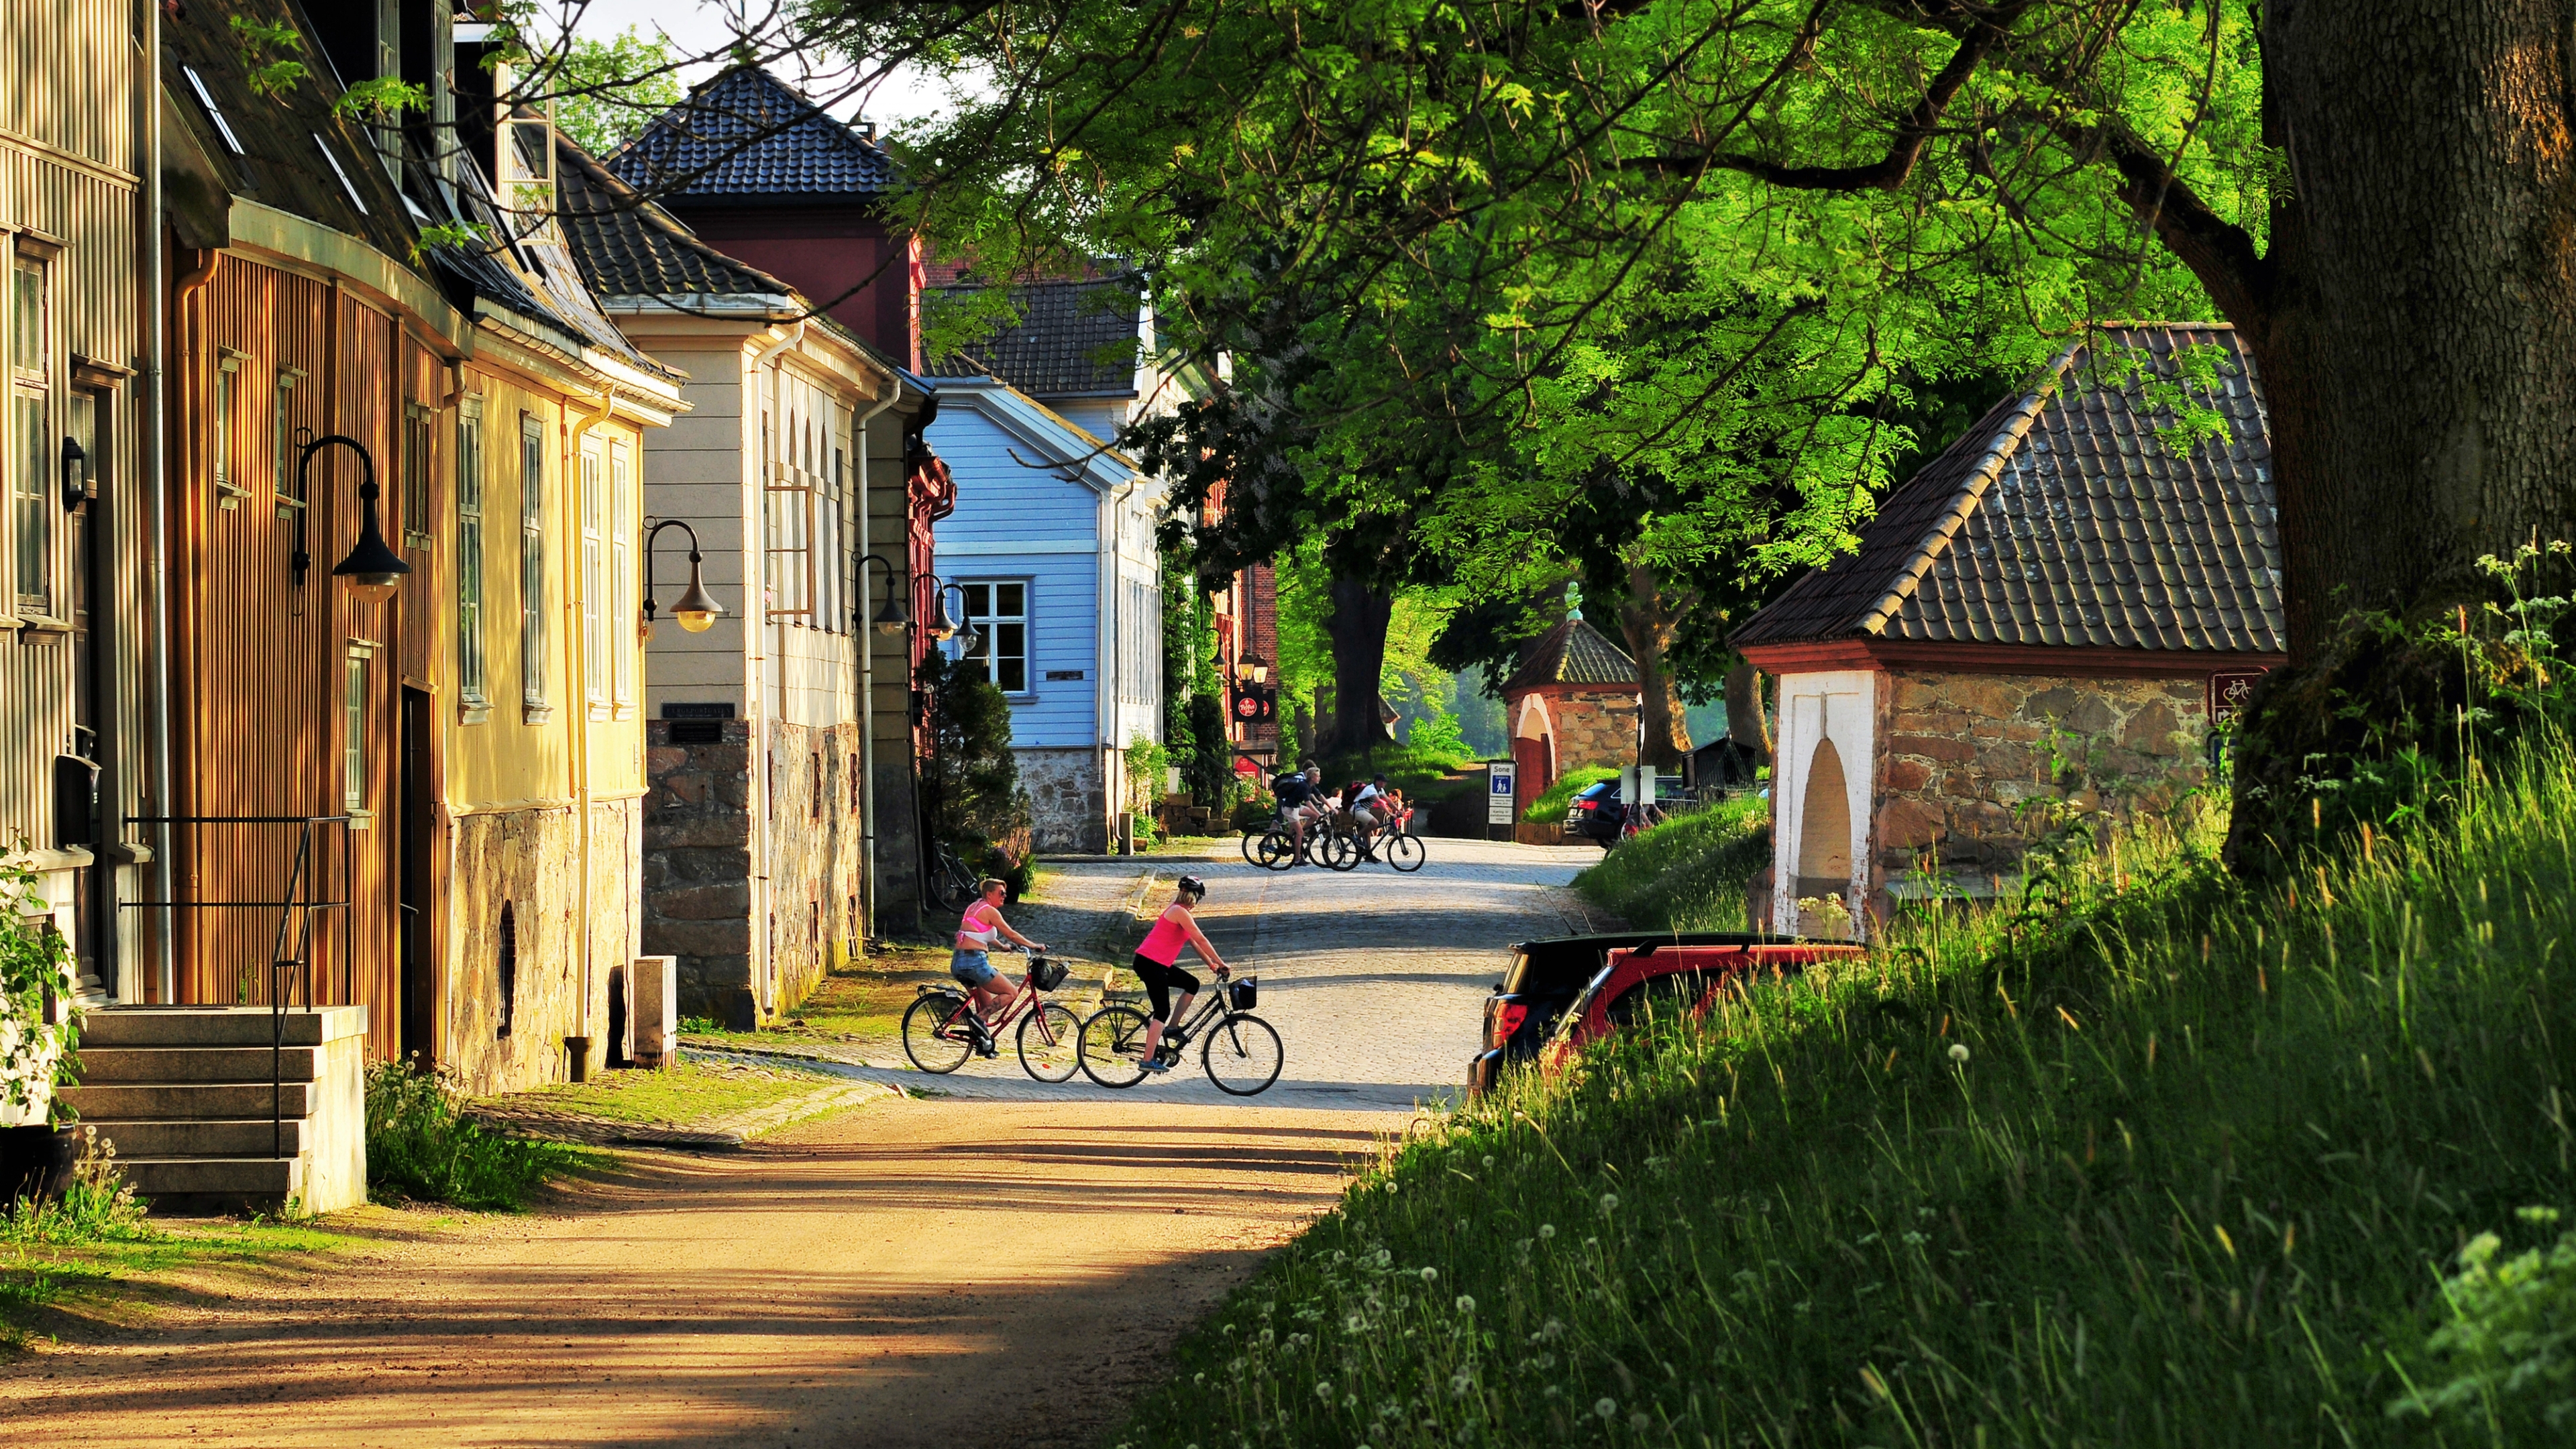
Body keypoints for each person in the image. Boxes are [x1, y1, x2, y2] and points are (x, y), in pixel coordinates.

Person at [1128, 875, 1230, 1071]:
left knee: (1192, 984)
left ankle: (1173, 1028)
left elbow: (1193, 942)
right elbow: (1201, 940)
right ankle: (1147, 1060)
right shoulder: (1179, 912)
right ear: (1195, 898)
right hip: (1150, 964)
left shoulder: (1180, 912)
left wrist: (1211, 965)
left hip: (1159, 964)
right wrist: (1221, 962)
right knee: (1162, 1011)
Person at [953, 879, 1046, 1044]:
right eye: (1001, 893)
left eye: (1005, 893)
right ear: (989, 894)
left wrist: (1002, 946)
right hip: (974, 962)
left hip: (959, 961)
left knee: (987, 1003)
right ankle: (977, 1019)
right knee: (1011, 992)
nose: (1004, 896)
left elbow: (978, 932)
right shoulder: (990, 911)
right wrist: (1034, 945)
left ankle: (984, 1043)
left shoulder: (974, 907)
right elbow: (1011, 934)